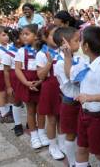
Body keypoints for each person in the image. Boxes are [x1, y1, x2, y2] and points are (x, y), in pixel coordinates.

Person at [70, 26, 100, 167]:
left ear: (86, 46)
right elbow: (71, 75)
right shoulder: (86, 63)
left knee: (99, 153)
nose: (79, 43)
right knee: (82, 148)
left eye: (81, 40)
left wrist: (89, 98)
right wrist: (67, 57)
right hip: (84, 113)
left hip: (99, 118)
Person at [52, 27, 90, 167]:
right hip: (70, 102)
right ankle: (73, 162)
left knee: (80, 133)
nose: (79, 43)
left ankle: (81, 161)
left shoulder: (76, 57)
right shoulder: (61, 63)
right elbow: (74, 79)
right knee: (71, 134)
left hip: (79, 102)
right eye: (76, 40)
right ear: (64, 43)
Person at [14, 24, 48, 149]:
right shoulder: (21, 51)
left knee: (41, 110)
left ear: (36, 35)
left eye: (27, 34)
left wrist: (40, 80)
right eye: (22, 34)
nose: (23, 36)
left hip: (41, 82)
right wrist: (26, 83)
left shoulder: (43, 50)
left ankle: (42, 132)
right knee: (30, 110)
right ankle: (34, 135)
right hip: (27, 83)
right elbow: (17, 69)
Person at [35, 25, 65, 160]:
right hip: (50, 88)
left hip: (63, 87)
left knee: (62, 117)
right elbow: (41, 76)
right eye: (53, 35)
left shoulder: (63, 51)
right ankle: (53, 146)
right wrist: (49, 63)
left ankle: (62, 143)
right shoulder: (41, 54)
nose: (57, 38)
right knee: (52, 118)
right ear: (45, 38)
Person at [1, 28, 25, 136]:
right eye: (23, 35)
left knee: (30, 103)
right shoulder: (9, 53)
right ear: (17, 39)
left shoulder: (27, 50)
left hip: (26, 77)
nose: (25, 37)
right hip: (14, 79)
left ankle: (30, 123)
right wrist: (9, 87)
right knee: (17, 101)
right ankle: (18, 124)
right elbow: (6, 71)